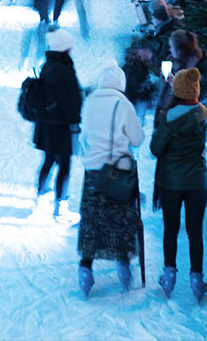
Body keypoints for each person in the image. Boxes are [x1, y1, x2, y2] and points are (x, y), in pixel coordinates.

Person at [77, 64, 144, 296]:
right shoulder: (124, 105)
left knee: (91, 222)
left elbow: (83, 137)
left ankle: (86, 270)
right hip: (119, 174)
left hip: (94, 173)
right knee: (120, 222)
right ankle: (124, 269)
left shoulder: (90, 102)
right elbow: (136, 140)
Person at [150, 67, 207, 302]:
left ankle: (169, 277)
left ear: (177, 91)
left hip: (171, 182)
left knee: (171, 229)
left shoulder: (168, 117)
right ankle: (197, 280)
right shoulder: (205, 112)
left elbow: (155, 149)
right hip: (198, 180)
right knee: (195, 231)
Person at [31, 29, 83, 219]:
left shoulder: (49, 65)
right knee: (64, 165)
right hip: (60, 127)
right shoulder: (63, 70)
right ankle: (60, 205)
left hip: (46, 125)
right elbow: (69, 100)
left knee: (48, 160)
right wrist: (75, 123)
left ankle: (40, 195)